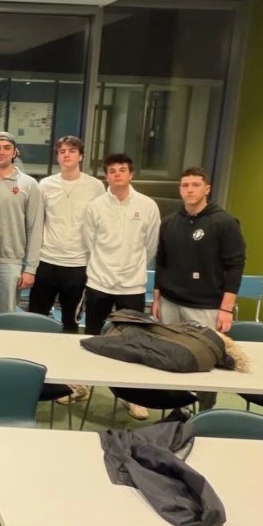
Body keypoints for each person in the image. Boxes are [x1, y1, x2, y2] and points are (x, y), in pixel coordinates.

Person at [154, 166, 247, 410]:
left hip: (205, 306)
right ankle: (179, 410)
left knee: (206, 362)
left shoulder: (224, 222)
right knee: (173, 359)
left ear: (207, 189)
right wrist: (157, 299)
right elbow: (161, 263)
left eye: (195, 185)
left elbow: (235, 266)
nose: (189, 190)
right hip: (170, 303)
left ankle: (204, 413)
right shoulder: (170, 223)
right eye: (185, 185)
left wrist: (226, 309)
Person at [27, 136, 106, 405]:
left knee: (70, 324)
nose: (66, 155)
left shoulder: (95, 187)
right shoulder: (45, 185)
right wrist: (33, 262)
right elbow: (38, 224)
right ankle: (35, 375)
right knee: (37, 321)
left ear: (81, 156)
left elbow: (100, 225)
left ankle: (71, 381)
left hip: (78, 265)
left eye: (72, 151)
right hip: (47, 262)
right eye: (62, 151)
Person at [82, 152, 161, 420]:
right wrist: (105, 269)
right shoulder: (96, 206)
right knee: (93, 338)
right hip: (99, 282)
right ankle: (83, 385)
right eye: (112, 171)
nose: (117, 174)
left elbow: (151, 245)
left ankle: (131, 397)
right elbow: (89, 242)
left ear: (131, 174)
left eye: (122, 170)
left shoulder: (147, 206)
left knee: (132, 342)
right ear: (106, 176)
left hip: (132, 286)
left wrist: (131, 267)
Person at [0, 132, 43, 315]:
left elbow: (35, 228)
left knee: (7, 317)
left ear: (14, 152)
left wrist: (31, 268)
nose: (1, 152)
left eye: (6, 148)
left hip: (10, 261)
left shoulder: (28, 184)